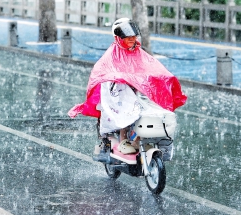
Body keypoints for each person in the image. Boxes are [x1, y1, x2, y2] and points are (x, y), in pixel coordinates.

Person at [68, 18, 187, 162]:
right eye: (128, 37)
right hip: (117, 92)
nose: (132, 40)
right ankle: (122, 139)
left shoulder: (138, 52)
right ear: (119, 38)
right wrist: (119, 78)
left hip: (137, 90)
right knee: (126, 105)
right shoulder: (112, 54)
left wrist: (163, 77)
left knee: (152, 110)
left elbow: (151, 66)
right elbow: (102, 70)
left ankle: (139, 139)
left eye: (133, 37)